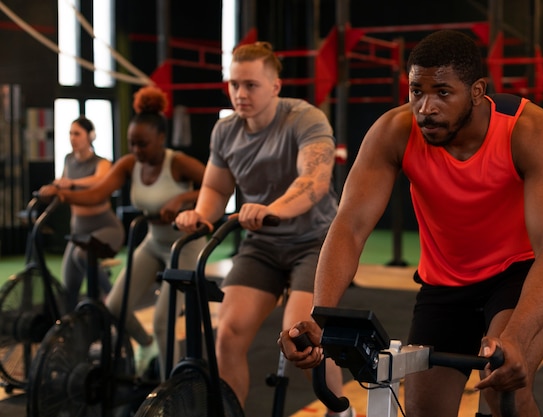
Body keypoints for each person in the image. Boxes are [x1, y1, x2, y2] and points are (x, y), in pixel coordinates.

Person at [279, 30, 543, 417]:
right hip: (444, 286)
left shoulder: (529, 131)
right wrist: (323, 318)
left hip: (516, 278)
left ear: (476, 90)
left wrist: (517, 337)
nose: (425, 107)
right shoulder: (394, 132)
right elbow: (350, 226)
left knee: (505, 391)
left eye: (442, 92)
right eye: (416, 91)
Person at [175, 41, 352, 416]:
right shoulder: (225, 131)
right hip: (263, 244)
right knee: (229, 334)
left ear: (275, 86)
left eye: (251, 85)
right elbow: (215, 187)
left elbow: (315, 180)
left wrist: (272, 209)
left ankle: (341, 412)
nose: (240, 94)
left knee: (301, 336)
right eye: (234, 84)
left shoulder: (305, 119)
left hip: (315, 241)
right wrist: (202, 216)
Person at [39, 86, 207, 380]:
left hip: (185, 246)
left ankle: (174, 393)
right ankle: (146, 347)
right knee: (114, 307)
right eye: (132, 144)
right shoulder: (130, 163)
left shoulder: (177, 162)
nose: (137, 151)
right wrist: (61, 194)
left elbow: (218, 187)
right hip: (154, 242)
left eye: (143, 144)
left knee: (163, 321)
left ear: (161, 139)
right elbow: (96, 193)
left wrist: (182, 199)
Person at [52, 116, 125, 311]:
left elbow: (100, 180)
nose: (72, 138)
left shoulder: (102, 162)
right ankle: (76, 333)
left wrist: (72, 183)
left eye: (77, 133)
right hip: (78, 229)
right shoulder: (68, 159)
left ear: (90, 136)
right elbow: (61, 182)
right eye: (70, 133)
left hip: (106, 227)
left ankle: (111, 297)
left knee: (82, 254)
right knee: (69, 287)